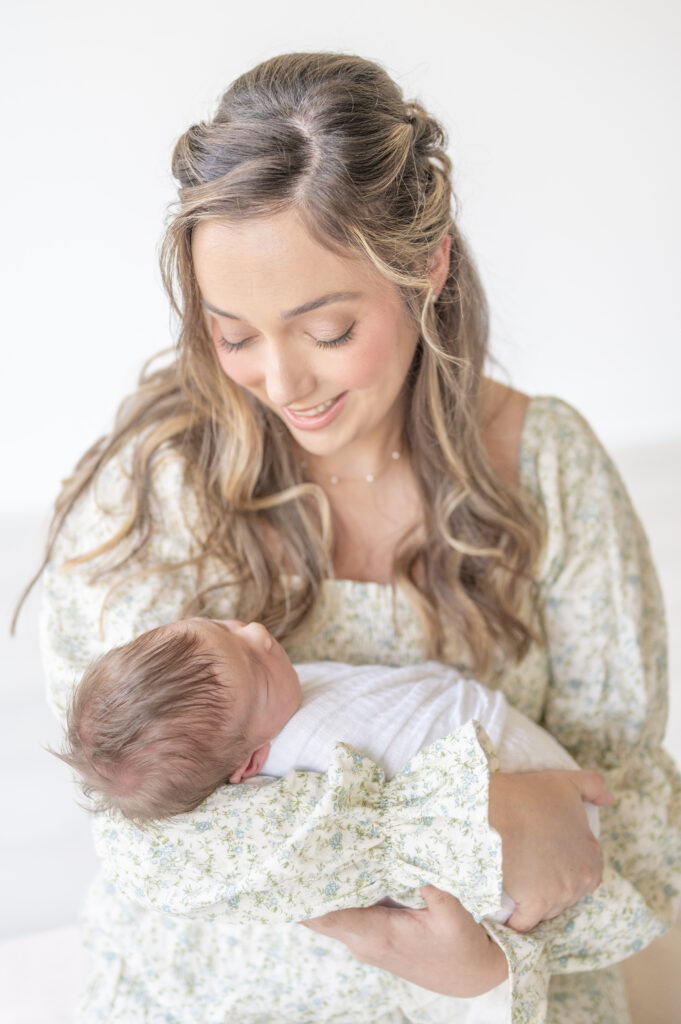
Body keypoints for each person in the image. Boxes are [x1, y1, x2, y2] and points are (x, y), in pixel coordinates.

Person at [28, 51, 681, 1023]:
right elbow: (152, 840)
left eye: (327, 329)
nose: (282, 382)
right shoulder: (156, 489)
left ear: (428, 262)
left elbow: (639, 836)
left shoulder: (548, 471)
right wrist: (467, 822)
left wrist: (484, 967)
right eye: (233, 333)